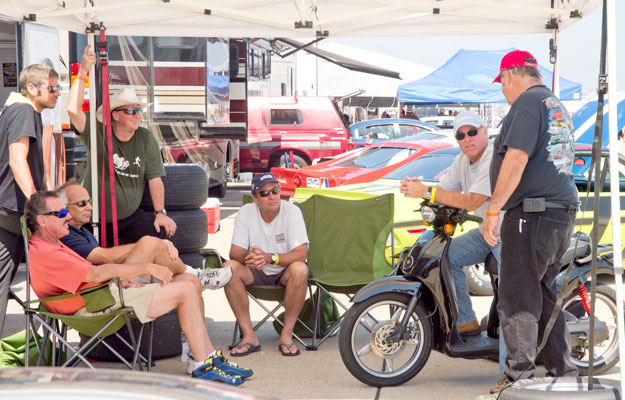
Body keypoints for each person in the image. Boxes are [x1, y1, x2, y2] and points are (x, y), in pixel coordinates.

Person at [24, 190, 252, 384]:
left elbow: (85, 276)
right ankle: (203, 364)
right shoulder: (45, 251)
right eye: (61, 213)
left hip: (100, 295)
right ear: (43, 220)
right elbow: (96, 271)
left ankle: (206, 357)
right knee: (185, 290)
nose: (67, 218)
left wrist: (120, 280)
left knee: (188, 282)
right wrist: (148, 267)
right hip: (93, 306)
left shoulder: (53, 243)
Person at [484, 50, 579, 394]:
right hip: (558, 212)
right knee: (542, 294)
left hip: (533, 213)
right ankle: (563, 372)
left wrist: (493, 210)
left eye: (502, 84)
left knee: (518, 295)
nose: (503, 91)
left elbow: (517, 156)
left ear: (510, 75)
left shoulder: (526, 103)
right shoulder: (555, 104)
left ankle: (518, 378)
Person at [399, 111, 502, 337]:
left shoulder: (492, 157)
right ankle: (466, 322)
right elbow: (444, 192)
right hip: (487, 231)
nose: (467, 139)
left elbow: (472, 200)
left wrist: (426, 191)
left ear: (485, 132)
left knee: (512, 294)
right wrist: (421, 187)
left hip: (508, 233)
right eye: (461, 135)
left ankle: (515, 339)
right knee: (447, 256)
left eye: (472, 132)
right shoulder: (462, 160)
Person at [67, 45, 176, 246]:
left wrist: (160, 213)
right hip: (94, 221)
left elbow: (155, 179)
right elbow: (73, 111)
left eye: (139, 111)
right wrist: (83, 71)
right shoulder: (97, 131)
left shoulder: (145, 138)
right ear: (115, 115)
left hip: (129, 218)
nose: (137, 116)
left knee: (161, 230)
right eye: (131, 111)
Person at [56, 180, 233, 292]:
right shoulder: (65, 234)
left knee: (189, 282)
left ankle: (190, 344)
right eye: (82, 203)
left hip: (109, 284)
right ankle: (197, 273)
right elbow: (104, 257)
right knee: (148, 242)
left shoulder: (82, 230)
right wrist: (151, 245)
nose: (89, 207)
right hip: (101, 293)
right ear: (64, 208)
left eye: (89, 202)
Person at [0, 64, 60, 336]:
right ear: (32, 89)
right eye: (53, 87)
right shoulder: (23, 110)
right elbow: (16, 160)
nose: (58, 93)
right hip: (8, 214)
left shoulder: (25, 111)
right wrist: (39, 206)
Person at [222, 172, 310, 357]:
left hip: (284, 271)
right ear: (255, 198)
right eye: (265, 193)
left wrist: (270, 258)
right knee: (229, 268)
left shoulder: (292, 211)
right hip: (255, 270)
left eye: (275, 190)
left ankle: (286, 335)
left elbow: (300, 254)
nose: (272, 196)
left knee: (300, 269)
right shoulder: (246, 211)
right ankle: (249, 336)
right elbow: (235, 252)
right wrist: (251, 256)